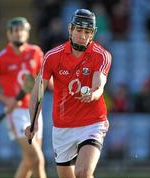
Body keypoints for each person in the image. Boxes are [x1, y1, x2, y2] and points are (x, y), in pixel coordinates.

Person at [25, 9, 112, 178]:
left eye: (87, 32)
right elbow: (38, 91)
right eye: (79, 30)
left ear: (92, 34)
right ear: (70, 29)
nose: (82, 35)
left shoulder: (102, 55)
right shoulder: (52, 57)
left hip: (92, 123)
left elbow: (99, 84)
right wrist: (33, 121)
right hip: (62, 126)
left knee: (83, 173)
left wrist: (93, 94)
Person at [0, 17, 47, 178]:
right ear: (9, 34)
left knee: (28, 160)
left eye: (22, 30)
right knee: (37, 159)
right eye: (15, 31)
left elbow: (45, 77)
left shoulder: (35, 52)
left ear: (27, 33)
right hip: (16, 113)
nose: (19, 34)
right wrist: (6, 100)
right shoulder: (1, 58)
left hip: (35, 110)